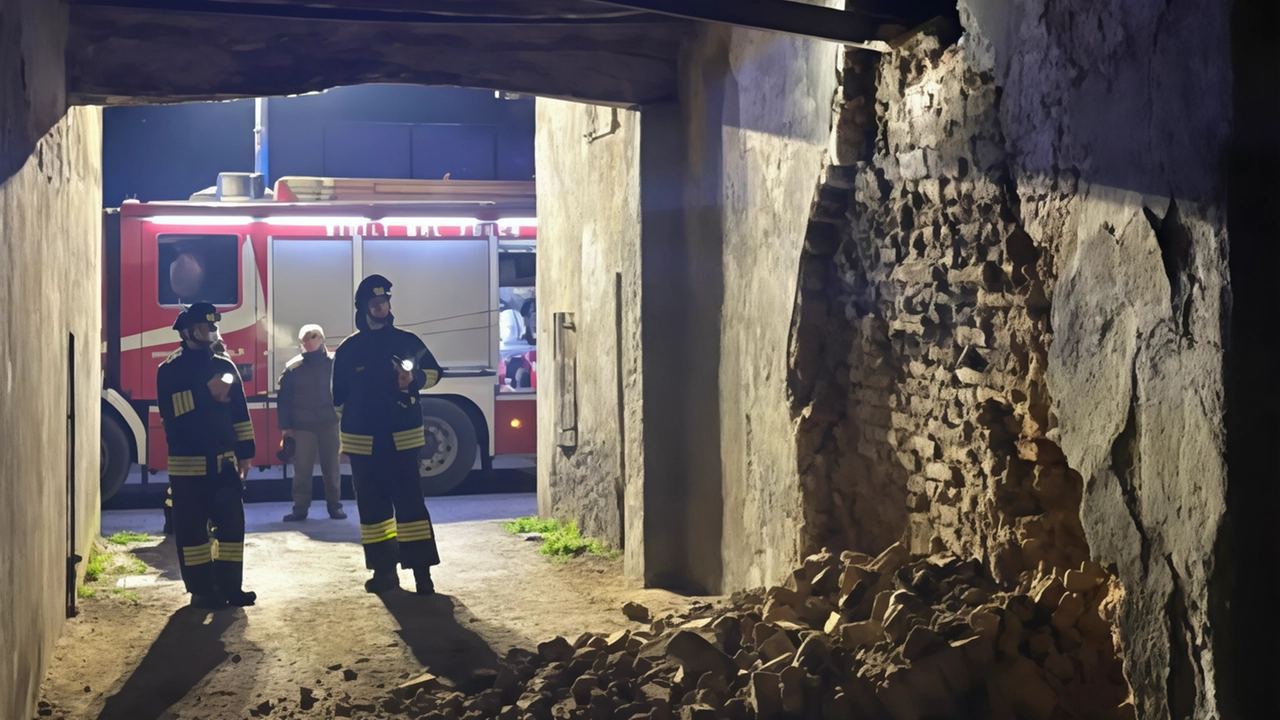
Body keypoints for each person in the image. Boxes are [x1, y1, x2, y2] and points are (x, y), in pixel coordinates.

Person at [332, 275, 443, 594]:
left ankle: (422, 574)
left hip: (401, 439)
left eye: (385, 302)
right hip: (363, 443)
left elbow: (434, 373)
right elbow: (338, 398)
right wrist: (350, 433)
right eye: (375, 303)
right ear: (364, 308)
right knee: (373, 510)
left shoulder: (407, 341)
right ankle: (384, 573)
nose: (382, 307)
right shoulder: (349, 349)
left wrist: (414, 379)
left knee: (411, 506)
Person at [156, 302, 256, 609]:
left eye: (213, 327)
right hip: (188, 466)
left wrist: (246, 452)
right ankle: (201, 591)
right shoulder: (170, 369)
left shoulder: (225, 364)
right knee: (192, 531)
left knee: (231, 527)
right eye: (204, 327)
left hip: (224, 462)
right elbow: (170, 412)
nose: (211, 332)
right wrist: (205, 394)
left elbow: (240, 412)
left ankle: (231, 586)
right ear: (187, 331)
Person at [278, 324, 346, 522]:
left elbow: (345, 391)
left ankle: (335, 507)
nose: (310, 341)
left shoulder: (335, 363)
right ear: (301, 343)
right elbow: (284, 399)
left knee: (332, 467)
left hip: (329, 422)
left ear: (322, 338)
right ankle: (300, 509)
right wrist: (285, 427)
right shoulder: (293, 368)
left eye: (314, 336)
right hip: (303, 425)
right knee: (302, 469)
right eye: (306, 338)